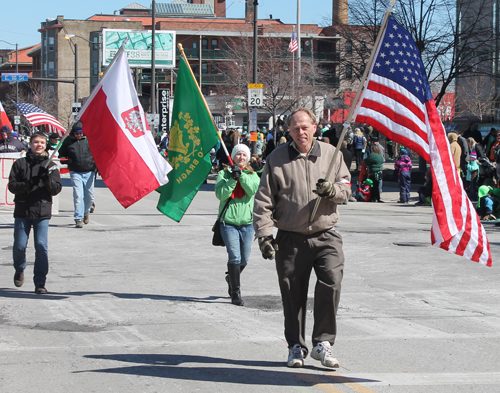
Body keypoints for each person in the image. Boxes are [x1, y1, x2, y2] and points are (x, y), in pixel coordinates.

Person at [253, 108, 351, 369]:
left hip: (326, 235)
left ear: (315, 127)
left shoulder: (332, 155)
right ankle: (296, 346)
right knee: (293, 294)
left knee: (331, 281)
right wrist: (264, 235)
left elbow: (346, 189)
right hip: (290, 238)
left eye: (305, 127)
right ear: (289, 131)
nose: (301, 132)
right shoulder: (276, 158)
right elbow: (263, 200)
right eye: (295, 129)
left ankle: (323, 343)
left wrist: (333, 191)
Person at [8, 132, 62, 294]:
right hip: (23, 210)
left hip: (42, 210)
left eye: (42, 143)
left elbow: (56, 189)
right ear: (30, 144)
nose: (39, 145)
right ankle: (19, 268)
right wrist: (28, 183)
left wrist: (46, 180)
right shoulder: (20, 164)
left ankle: (40, 282)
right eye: (36, 142)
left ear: (46, 145)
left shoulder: (50, 165)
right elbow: (12, 186)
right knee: (19, 245)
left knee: (41, 246)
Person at [215, 144, 260, 306]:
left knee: (244, 259)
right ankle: (236, 292)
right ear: (233, 156)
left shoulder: (253, 174)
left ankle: (231, 278)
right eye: (238, 154)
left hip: (247, 224)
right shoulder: (223, 174)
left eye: (244, 155)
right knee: (234, 257)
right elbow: (221, 194)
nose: (241, 157)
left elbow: (252, 190)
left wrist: (241, 175)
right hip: (228, 223)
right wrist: (232, 179)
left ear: (247, 158)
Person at [59, 126, 96, 228]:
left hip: (89, 171)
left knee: (90, 195)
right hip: (75, 171)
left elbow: (96, 153)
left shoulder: (88, 140)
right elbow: (61, 155)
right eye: (76, 134)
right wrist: (68, 161)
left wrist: (96, 166)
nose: (79, 135)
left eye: (81, 133)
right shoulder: (68, 142)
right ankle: (78, 218)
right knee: (78, 196)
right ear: (73, 134)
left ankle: (86, 212)